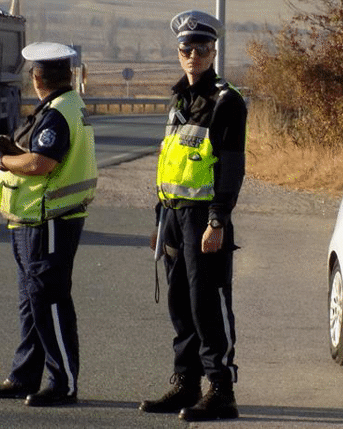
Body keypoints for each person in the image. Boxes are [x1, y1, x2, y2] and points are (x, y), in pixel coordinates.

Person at [139, 10, 247, 422]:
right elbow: (170, 164)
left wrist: (217, 221)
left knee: (208, 302)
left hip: (205, 219)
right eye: (187, 49)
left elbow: (232, 167)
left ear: (214, 51)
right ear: (178, 52)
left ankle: (221, 390)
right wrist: (157, 219)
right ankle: (185, 383)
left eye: (202, 49)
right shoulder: (179, 98)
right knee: (180, 302)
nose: (194, 56)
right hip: (173, 215)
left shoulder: (226, 101)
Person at [0, 42, 97, 407]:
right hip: (37, 218)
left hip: (50, 219)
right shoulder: (67, 106)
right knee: (32, 301)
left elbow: (40, 163)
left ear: (37, 78)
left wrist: (1, 160)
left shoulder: (58, 112)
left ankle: (63, 383)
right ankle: (25, 375)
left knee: (49, 301)